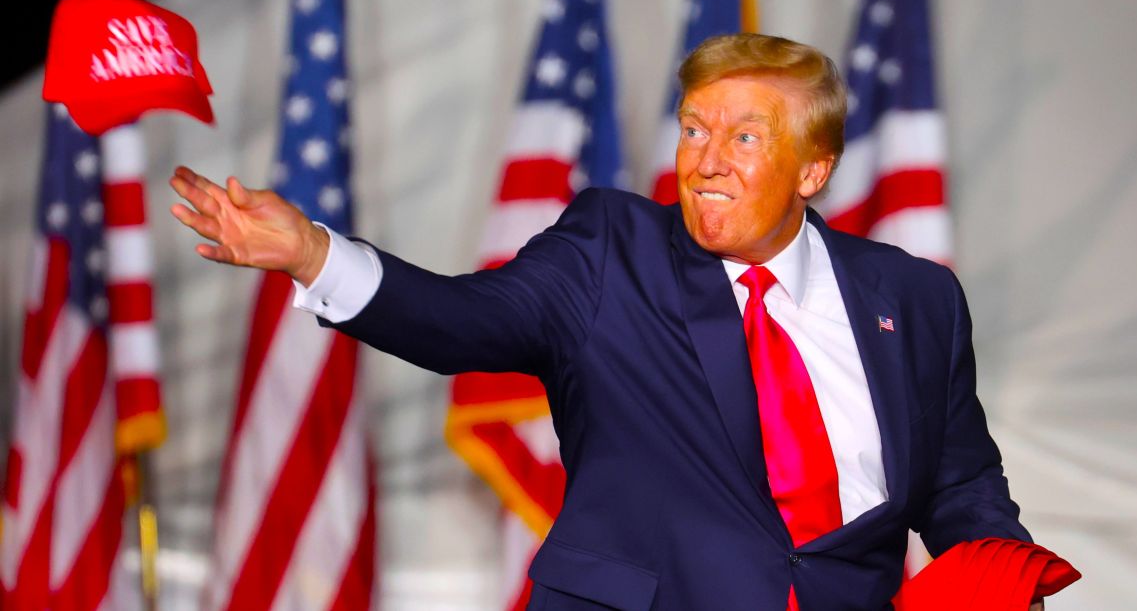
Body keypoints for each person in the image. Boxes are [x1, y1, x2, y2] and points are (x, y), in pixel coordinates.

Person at [171, 33, 1038, 610]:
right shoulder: (611, 250)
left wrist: (1010, 584)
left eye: (744, 138)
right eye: (695, 128)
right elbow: (461, 321)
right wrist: (314, 255)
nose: (704, 161)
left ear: (813, 170)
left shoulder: (915, 299)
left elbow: (959, 487)